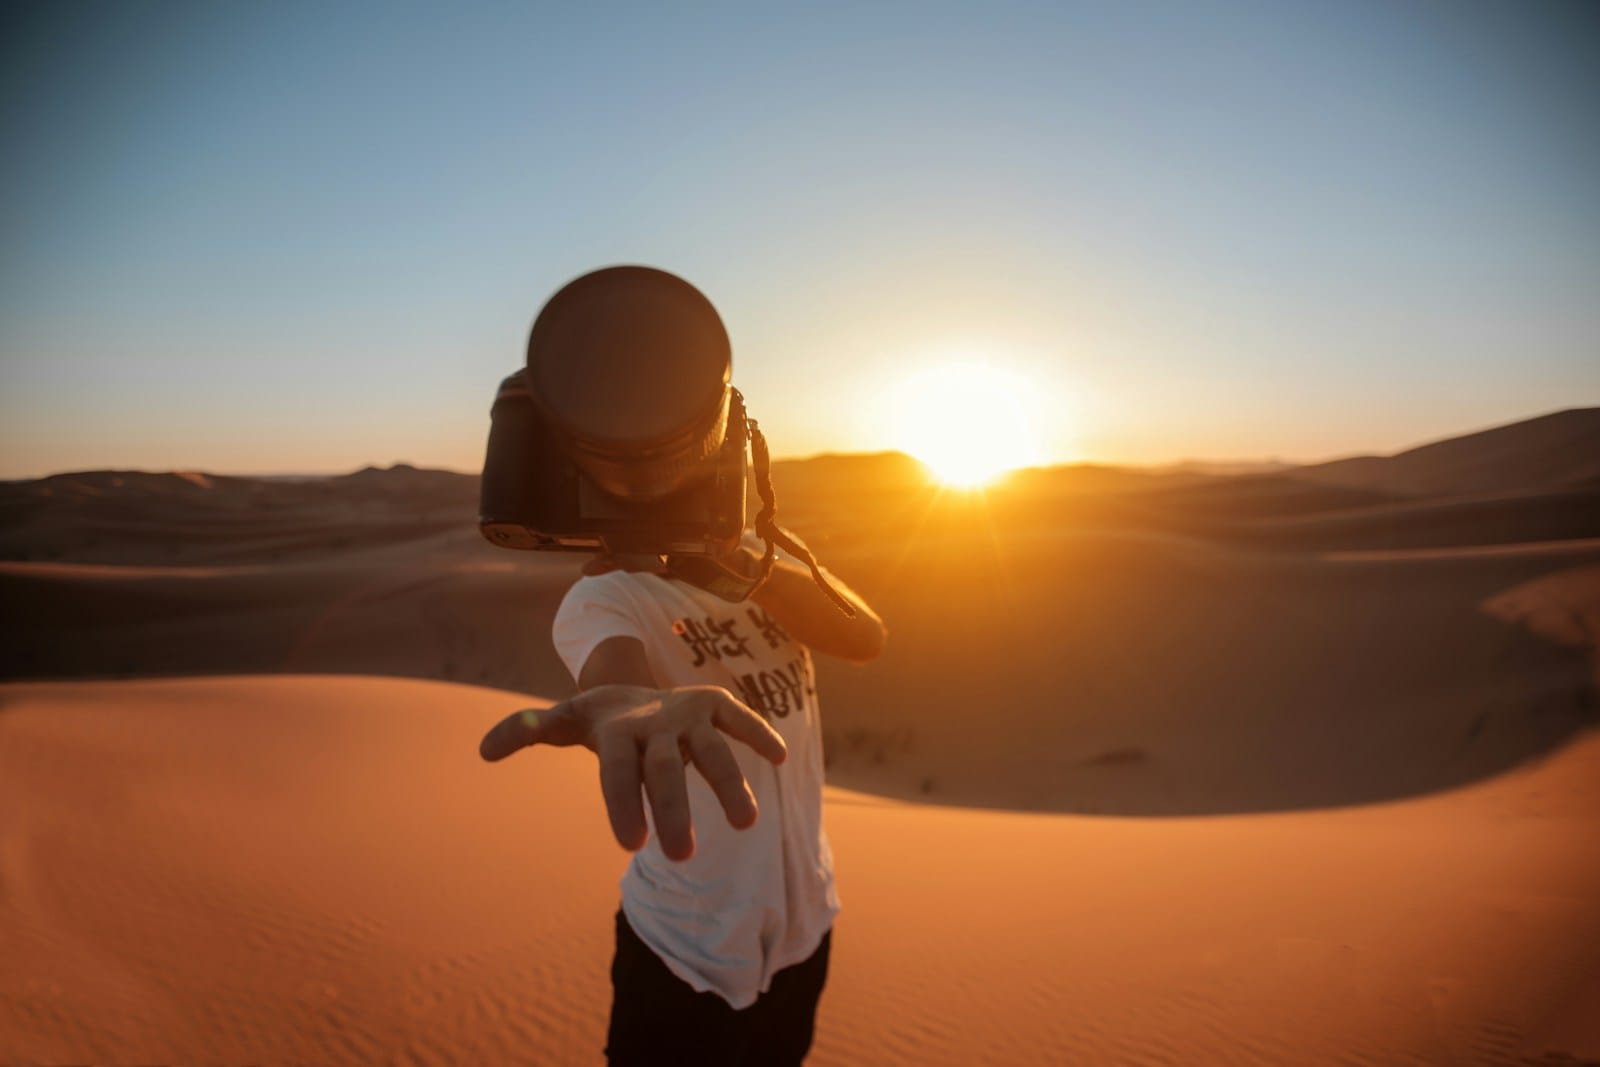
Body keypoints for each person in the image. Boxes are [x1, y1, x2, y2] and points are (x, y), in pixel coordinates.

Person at [480, 532, 886, 1066]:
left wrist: (743, 565)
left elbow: (865, 637)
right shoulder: (605, 597)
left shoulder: (767, 553)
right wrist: (634, 706)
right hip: (684, 952)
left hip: (804, 934)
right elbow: (620, 683)